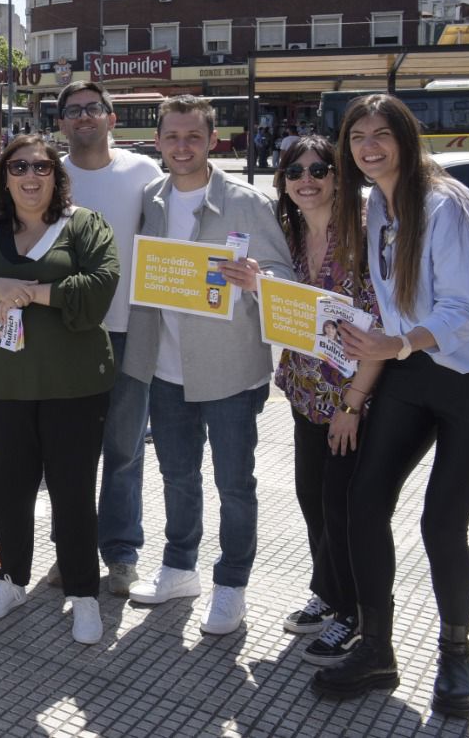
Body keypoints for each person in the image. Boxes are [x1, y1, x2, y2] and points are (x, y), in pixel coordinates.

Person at [312, 95, 469, 718]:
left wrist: (395, 344)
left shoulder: (444, 203)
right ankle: (377, 647)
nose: (369, 147)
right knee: (362, 501)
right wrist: (358, 393)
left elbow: (464, 310)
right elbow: (389, 307)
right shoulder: (376, 205)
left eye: (382, 135)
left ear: (405, 137)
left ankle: (457, 655)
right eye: (357, 137)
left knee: (441, 523)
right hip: (412, 365)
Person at [124, 95, 293, 636]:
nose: (181, 146)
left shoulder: (245, 202)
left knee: (234, 484)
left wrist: (257, 282)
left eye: (193, 136)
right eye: (172, 136)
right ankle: (180, 567)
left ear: (212, 139)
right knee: (176, 477)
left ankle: (231, 584)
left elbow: (284, 280)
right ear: (158, 141)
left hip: (229, 372)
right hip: (166, 368)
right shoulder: (151, 197)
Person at [0, 135, 118, 643]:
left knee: (72, 492)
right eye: (18, 166)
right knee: (11, 488)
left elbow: (100, 288)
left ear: (55, 177)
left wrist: (33, 293)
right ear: (4, 178)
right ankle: (14, 578)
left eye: (41, 167)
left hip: (75, 386)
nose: (30, 176)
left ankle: (83, 592)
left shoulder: (84, 226)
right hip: (6, 385)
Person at [253, 135, 381, 667]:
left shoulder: (365, 233)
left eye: (319, 169)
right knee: (312, 500)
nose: (307, 179)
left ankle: (355, 615)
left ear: (337, 175)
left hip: (356, 398)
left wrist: (352, 404)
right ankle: (328, 595)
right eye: (295, 171)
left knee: (343, 506)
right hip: (306, 392)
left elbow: (379, 324)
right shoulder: (287, 233)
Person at [48, 80, 163, 596]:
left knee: (124, 449)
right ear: (61, 123)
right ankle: (69, 553)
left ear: (112, 118)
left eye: (94, 108)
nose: (84, 117)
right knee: (68, 454)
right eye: (73, 111)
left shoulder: (144, 172)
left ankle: (120, 554)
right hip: (65, 332)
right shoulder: (47, 174)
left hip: (129, 329)